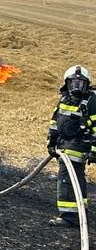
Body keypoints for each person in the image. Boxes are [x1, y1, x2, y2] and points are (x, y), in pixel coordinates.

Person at [47, 64, 94, 227]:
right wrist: (51, 142)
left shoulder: (91, 101)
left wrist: (94, 150)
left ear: (87, 84)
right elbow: (55, 121)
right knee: (75, 179)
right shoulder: (64, 99)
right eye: (73, 82)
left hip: (78, 146)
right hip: (64, 144)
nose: (76, 87)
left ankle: (70, 217)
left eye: (81, 83)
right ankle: (80, 213)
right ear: (66, 83)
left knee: (68, 179)